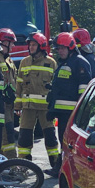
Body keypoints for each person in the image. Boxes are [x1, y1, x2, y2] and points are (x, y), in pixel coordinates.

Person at [47, 32, 91, 173]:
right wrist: (52, 108)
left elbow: (83, 89)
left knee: (69, 142)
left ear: (71, 47)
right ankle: (60, 168)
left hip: (72, 113)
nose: (60, 51)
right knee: (63, 140)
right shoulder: (64, 63)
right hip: (62, 112)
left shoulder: (79, 62)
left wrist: (79, 112)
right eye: (58, 48)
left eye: (63, 48)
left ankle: (65, 168)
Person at [15, 32, 60, 169]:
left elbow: (56, 86)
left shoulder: (51, 63)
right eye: (30, 45)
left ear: (41, 46)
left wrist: (54, 107)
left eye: (34, 45)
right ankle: (24, 165)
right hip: (28, 107)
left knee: (51, 137)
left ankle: (55, 164)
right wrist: (17, 106)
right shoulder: (24, 62)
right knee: (24, 137)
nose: (31, 47)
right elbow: (19, 84)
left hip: (45, 108)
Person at [0, 28, 19, 158]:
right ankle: (13, 164)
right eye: (11, 43)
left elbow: (14, 80)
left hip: (9, 104)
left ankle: (4, 163)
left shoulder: (7, 59)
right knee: (7, 134)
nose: (13, 46)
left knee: (7, 133)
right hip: (0, 103)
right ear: (4, 42)